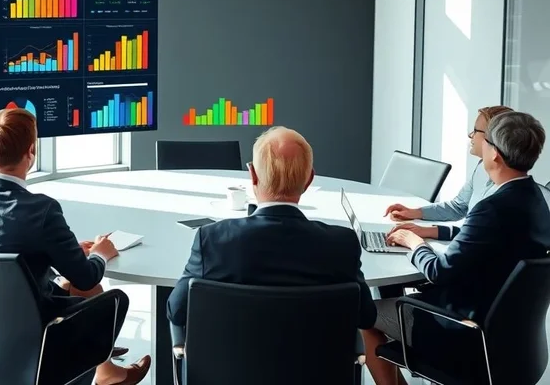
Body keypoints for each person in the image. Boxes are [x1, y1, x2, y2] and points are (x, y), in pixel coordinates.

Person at [0, 108, 150, 385]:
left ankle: (107, 373)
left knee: (74, 287)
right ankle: (101, 374)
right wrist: (100, 254)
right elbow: (87, 277)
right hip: (34, 338)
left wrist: (64, 251)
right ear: (31, 152)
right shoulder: (41, 210)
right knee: (109, 298)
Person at [363, 111, 550, 385]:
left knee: (364, 312)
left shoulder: (491, 208)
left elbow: (439, 271)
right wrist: (431, 231)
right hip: (512, 339)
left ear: (495, 154)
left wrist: (414, 243)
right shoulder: (537, 201)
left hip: (464, 329)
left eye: (485, 141)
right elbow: (484, 240)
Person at [167, 126, 377, 330]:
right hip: (320, 355)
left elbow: (176, 311)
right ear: (309, 180)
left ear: (253, 176)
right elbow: (366, 317)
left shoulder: (213, 239)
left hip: (230, 354)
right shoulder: (342, 243)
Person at [383, 105, 513, 241]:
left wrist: (425, 232)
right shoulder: (481, 167)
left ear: (493, 138)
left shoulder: (510, 191)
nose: (470, 135)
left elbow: (480, 235)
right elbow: (458, 207)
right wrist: (415, 212)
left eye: (476, 130)